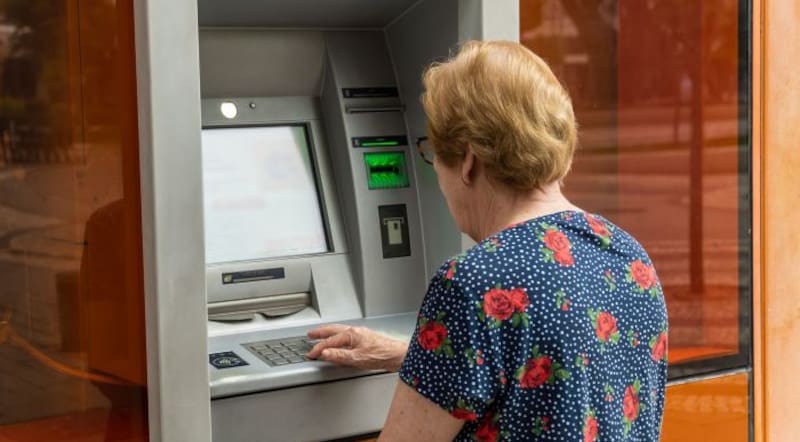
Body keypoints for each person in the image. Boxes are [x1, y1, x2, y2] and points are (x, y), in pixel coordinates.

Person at [307, 40, 668, 442]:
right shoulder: (628, 257)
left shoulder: (471, 282)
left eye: (432, 155)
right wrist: (411, 355)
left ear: (467, 160)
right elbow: (557, 369)